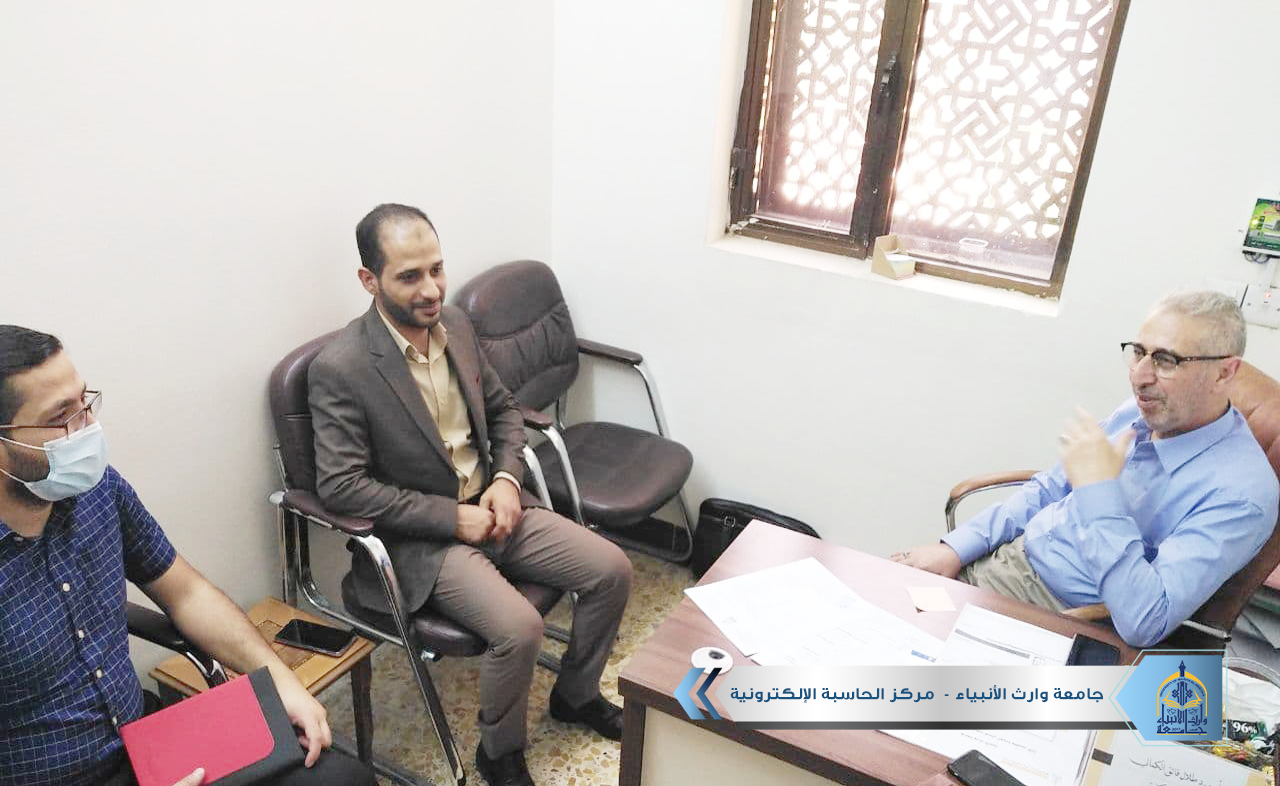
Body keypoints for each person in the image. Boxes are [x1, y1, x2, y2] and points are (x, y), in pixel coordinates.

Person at [308, 203, 633, 786]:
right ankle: (498, 753)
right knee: (519, 627)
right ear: (369, 280)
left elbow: (504, 410)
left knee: (611, 569)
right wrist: (451, 519)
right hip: (424, 541)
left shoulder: (455, 325)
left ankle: (576, 695)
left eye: (436, 269)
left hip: (494, 504)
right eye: (410, 276)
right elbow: (341, 486)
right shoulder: (342, 368)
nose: (431, 289)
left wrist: (506, 480)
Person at [0, 326, 376, 786]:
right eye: (62, 417)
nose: (87, 428)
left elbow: (186, 593)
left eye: (85, 402)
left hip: (147, 744)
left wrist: (280, 680)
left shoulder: (96, 489)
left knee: (342, 778)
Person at [894, 291, 1279, 647]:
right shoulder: (1144, 411)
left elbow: (1145, 621)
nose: (1140, 376)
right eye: (1138, 352)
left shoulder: (1242, 494)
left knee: (908, 665)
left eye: (1165, 360)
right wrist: (956, 548)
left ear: (1224, 373)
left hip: (1062, 614)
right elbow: (1048, 489)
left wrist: (1100, 492)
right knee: (884, 604)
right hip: (1007, 560)